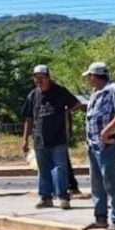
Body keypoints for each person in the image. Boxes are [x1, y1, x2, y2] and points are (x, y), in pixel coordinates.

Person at [21, 65, 82, 210]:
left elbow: (77, 103)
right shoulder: (33, 95)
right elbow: (28, 118)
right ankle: (45, 197)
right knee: (43, 170)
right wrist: (25, 139)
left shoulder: (59, 91)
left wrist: (66, 112)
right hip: (39, 139)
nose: (39, 80)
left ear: (48, 77)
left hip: (58, 138)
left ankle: (63, 197)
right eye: (36, 78)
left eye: (42, 77)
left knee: (60, 169)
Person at [81, 62, 115, 230]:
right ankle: (100, 218)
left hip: (107, 144)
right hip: (93, 145)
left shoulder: (114, 89)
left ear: (95, 76)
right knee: (97, 183)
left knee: (112, 182)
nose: (88, 80)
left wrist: (105, 132)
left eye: (89, 77)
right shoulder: (96, 92)